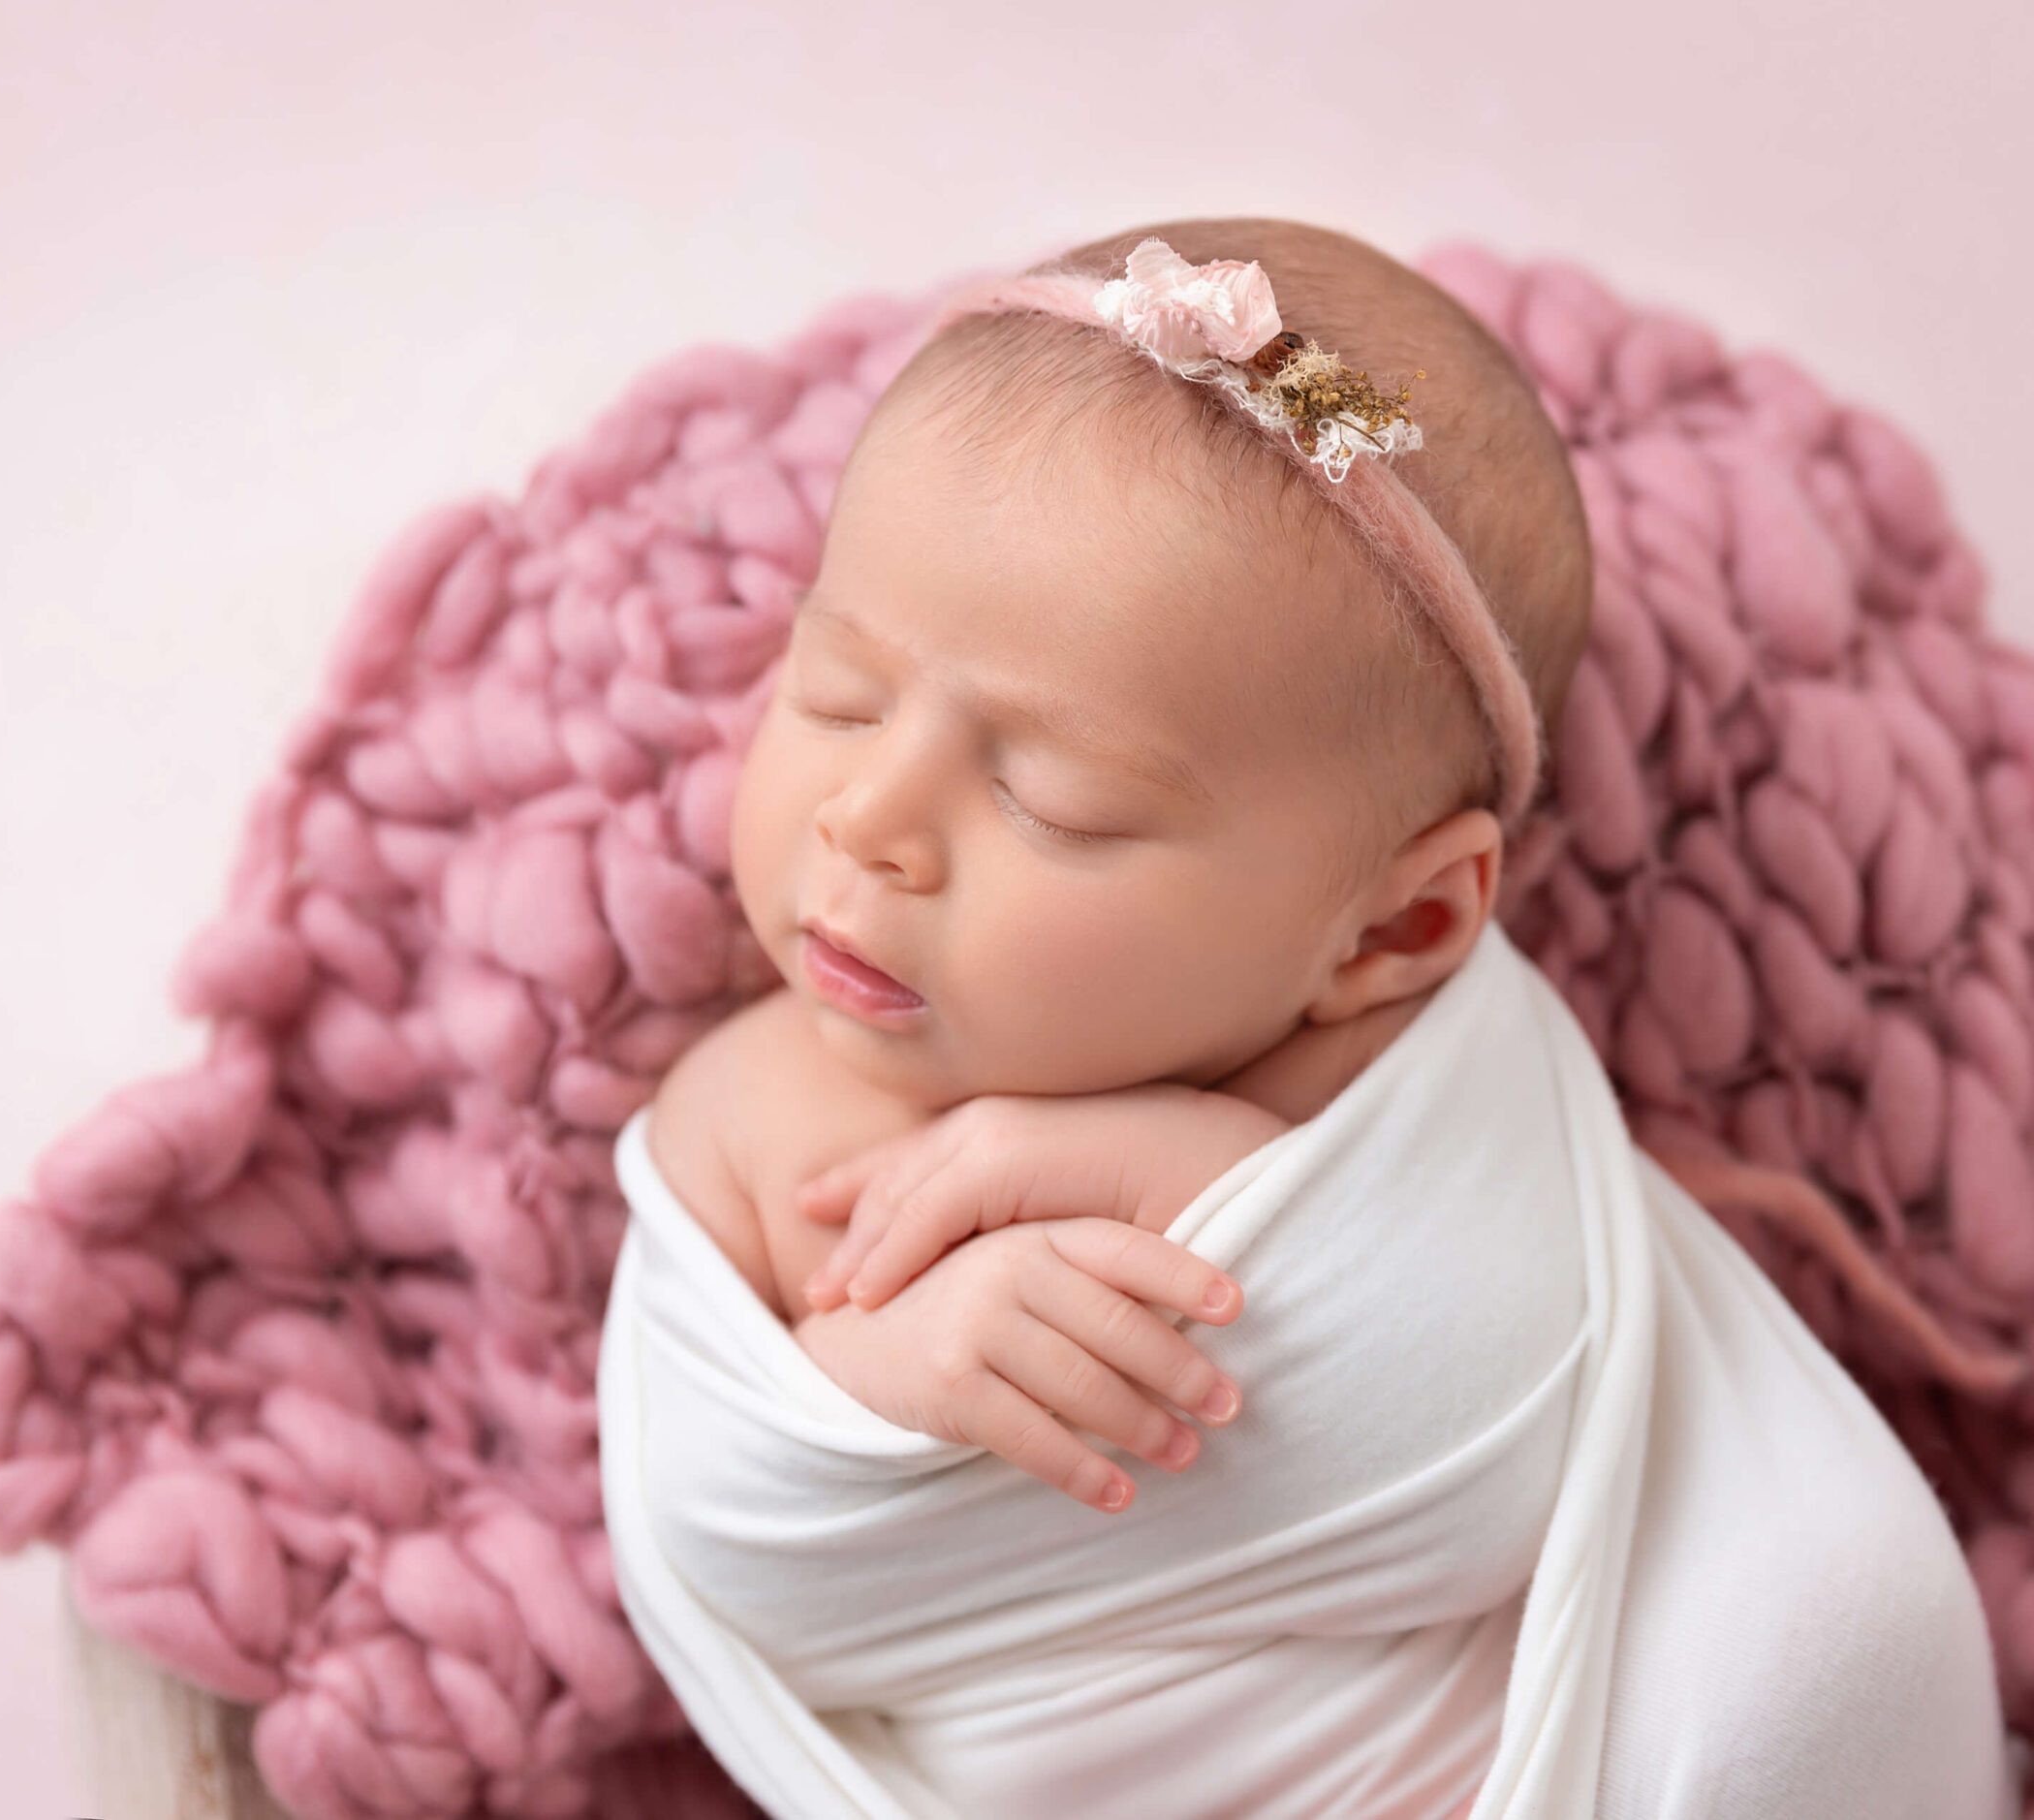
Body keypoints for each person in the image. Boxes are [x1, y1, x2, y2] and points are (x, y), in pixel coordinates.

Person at [595, 219, 2015, 1818]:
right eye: (835, 693)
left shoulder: (1414, 1075)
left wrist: (1191, 1168)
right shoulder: (758, 1107)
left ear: (1394, 928)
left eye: (1049, 798)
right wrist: (894, 1370)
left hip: (1544, 1735)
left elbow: (1490, 1404)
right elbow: (724, 1524)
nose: (870, 818)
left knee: (1825, 1622)